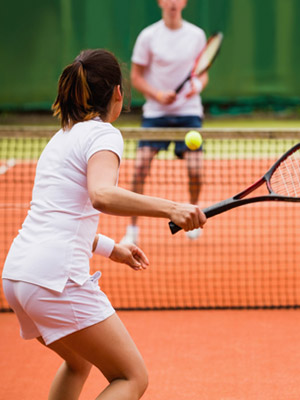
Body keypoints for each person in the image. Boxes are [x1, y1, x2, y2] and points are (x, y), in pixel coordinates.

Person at [2, 49, 206, 400]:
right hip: (55, 281)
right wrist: (172, 208)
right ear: (117, 93)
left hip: (18, 277)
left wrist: (112, 248)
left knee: (78, 362)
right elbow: (101, 195)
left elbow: (60, 216)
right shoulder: (103, 135)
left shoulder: (61, 137)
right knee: (131, 377)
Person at [121, 0, 208, 245]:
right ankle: (132, 229)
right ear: (160, 2)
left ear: (184, 2)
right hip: (155, 115)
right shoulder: (148, 36)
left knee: (195, 171)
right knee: (139, 170)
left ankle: (192, 215)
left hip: (188, 114)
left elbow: (202, 72)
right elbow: (136, 77)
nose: (172, 2)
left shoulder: (196, 35)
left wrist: (197, 86)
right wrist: (158, 94)